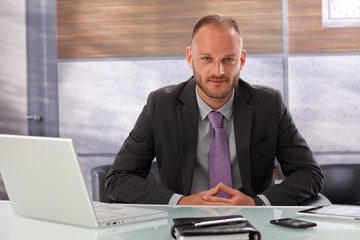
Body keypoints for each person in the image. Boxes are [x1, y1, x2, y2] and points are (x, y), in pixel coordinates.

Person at [105, 14, 324, 206]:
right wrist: (180, 202)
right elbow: (118, 179)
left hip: (252, 223)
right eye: (207, 58)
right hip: (182, 223)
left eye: (228, 59)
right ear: (190, 58)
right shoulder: (160, 106)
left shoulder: (269, 105)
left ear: (242, 60)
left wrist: (257, 203)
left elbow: (310, 174)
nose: (218, 71)